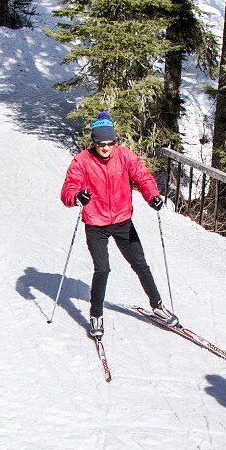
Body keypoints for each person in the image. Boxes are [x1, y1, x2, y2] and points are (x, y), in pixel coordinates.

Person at [59, 111, 174, 339]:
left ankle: (158, 305)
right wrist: (77, 198)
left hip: (122, 221)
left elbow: (142, 176)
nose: (106, 148)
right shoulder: (82, 161)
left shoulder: (124, 155)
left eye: (110, 143)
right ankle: (96, 314)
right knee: (102, 269)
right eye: (101, 144)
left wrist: (152, 196)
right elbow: (68, 191)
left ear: (115, 141)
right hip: (96, 224)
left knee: (140, 263)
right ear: (94, 142)